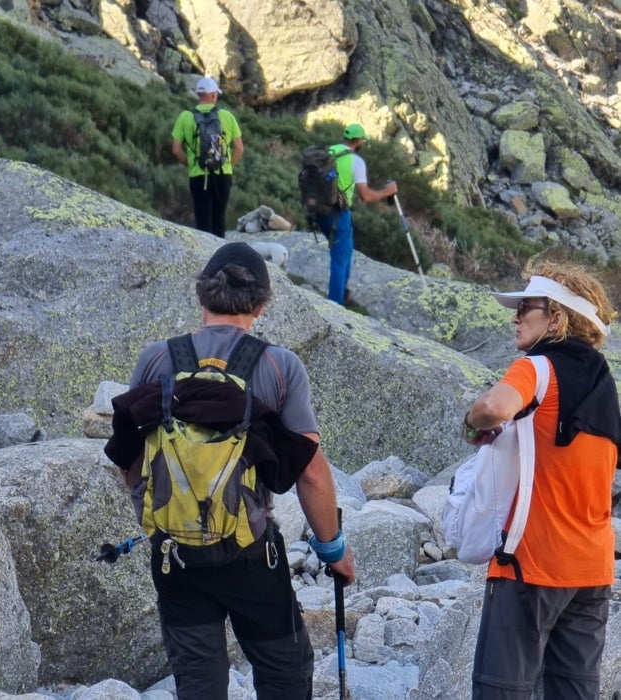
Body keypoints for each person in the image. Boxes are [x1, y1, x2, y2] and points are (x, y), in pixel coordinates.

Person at [111, 242, 355, 700]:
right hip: (251, 555)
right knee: (284, 671)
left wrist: (169, 517)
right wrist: (333, 550)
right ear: (261, 306)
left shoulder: (157, 360)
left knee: (199, 684)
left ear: (201, 298)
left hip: (175, 556)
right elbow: (312, 473)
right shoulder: (280, 367)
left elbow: (131, 458)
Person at [462, 261, 621, 699]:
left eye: (525, 307)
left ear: (556, 318)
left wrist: (471, 422)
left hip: (530, 566)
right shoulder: (605, 387)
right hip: (591, 573)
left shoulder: (538, 368)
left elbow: (493, 408)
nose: (515, 317)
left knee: (502, 690)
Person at [315, 123, 398, 306]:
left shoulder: (328, 151)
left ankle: (343, 293)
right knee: (339, 259)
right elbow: (366, 196)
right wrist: (386, 191)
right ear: (359, 140)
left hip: (319, 209)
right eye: (363, 140)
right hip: (338, 214)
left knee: (347, 249)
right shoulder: (356, 161)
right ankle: (334, 306)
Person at [171, 76, 244, 238]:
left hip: (198, 176)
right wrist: (228, 165)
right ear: (212, 95)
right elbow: (239, 148)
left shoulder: (185, 117)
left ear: (199, 95)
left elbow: (176, 150)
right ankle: (222, 259)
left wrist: (190, 163)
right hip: (223, 175)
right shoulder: (227, 116)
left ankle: (206, 260)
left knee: (203, 225)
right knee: (219, 221)